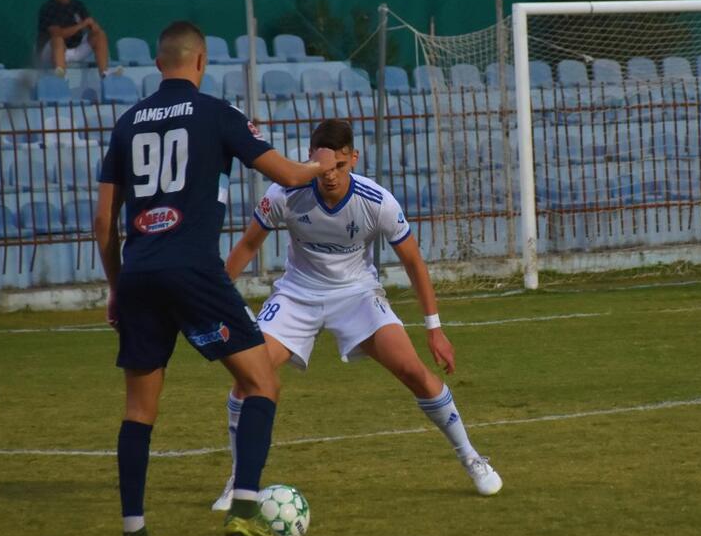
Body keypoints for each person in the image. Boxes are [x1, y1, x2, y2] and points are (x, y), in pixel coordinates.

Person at [94, 20, 336, 536]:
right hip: (193, 270)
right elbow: (288, 176)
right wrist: (322, 163)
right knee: (261, 382)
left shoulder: (127, 123)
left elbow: (103, 219)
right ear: (201, 62)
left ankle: (134, 535)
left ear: (160, 64)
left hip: (138, 272)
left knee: (138, 411)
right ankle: (245, 509)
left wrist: (117, 287)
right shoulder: (216, 115)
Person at [211, 119, 502, 513]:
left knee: (414, 371)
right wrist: (213, 298)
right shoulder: (284, 193)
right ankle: (238, 480)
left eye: (340, 167)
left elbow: (414, 262)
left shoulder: (378, 201)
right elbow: (246, 246)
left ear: (353, 159)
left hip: (357, 294)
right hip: (297, 295)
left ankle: (471, 457)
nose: (330, 177)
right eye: (322, 167)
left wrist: (435, 329)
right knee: (248, 378)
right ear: (310, 160)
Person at [36, 0, 116, 78]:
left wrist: (94, 26)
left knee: (100, 35)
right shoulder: (48, 8)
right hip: (52, 51)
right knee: (58, 40)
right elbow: (57, 33)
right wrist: (81, 25)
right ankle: (60, 78)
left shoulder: (77, 5)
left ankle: (104, 74)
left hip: (75, 49)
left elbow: (92, 25)